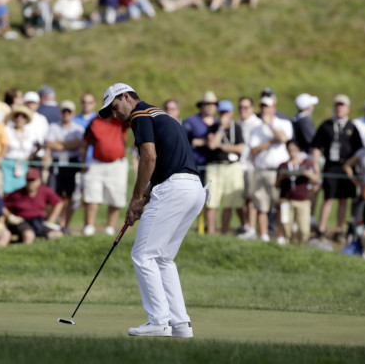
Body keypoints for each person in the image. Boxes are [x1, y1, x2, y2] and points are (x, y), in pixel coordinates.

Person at [98, 82, 204, 338]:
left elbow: (149, 157)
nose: (115, 115)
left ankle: (159, 320)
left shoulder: (140, 115)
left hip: (175, 189)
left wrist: (135, 199)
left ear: (126, 97)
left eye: (114, 107)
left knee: (143, 255)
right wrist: (145, 198)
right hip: (194, 189)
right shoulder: (161, 115)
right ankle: (180, 324)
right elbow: (164, 163)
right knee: (163, 258)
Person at [311, 94, 363, 241]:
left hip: (346, 166)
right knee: (328, 198)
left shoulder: (352, 127)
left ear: (348, 108)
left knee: (343, 199)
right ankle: (321, 229)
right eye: (337, 105)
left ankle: (339, 230)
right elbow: (316, 146)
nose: (340, 108)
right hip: (330, 165)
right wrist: (315, 163)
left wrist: (354, 168)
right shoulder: (326, 125)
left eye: (343, 106)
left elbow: (358, 151)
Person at [247, 95, 293, 242]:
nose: (264, 109)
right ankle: (264, 235)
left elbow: (283, 138)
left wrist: (270, 126)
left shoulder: (283, 123)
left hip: (277, 171)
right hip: (261, 169)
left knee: (279, 204)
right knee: (262, 206)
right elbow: (254, 150)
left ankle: (280, 236)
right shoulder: (256, 127)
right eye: (262, 106)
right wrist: (271, 142)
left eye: (267, 106)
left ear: (273, 107)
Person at [81, 114, 129, 236]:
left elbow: (132, 120)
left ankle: (110, 227)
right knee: (92, 194)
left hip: (117, 163)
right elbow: (85, 142)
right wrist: (83, 162)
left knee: (116, 195)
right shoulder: (95, 121)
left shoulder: (120, 120)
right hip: (97, 162)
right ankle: (89, 226)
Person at [204, 99, 244, 235]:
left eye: (226, 112)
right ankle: (211, 231)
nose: (223, 115)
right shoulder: (213, 128)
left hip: (232, 167)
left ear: (231, 113)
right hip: (215, 167)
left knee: (229, 202)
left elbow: (240, 148)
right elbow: (211, 145)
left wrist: (222, 146)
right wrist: (221, 128)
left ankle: (224, 231)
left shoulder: (237, 128)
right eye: (221, 112)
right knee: (212, 202)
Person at [45, 100, 85, 232]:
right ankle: (54, 222)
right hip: (57, 162)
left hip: (72, 162)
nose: (66, 114)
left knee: (70, 195)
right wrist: (69, 144)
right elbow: (50, 144)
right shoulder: (53, 126)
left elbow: (79, 143)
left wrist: (60, 143)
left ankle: (64, 224)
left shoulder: (78, 128)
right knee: (54, 193)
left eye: (69, 112)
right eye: (64, 111)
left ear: (73, 113)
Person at [3, 167, 64, 244]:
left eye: (33, 180)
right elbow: (2, 205)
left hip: (39, 221)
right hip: (23, 221)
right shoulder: (17, 194)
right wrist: (10, 216)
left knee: (57, 235)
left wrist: (51, 220)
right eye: (28, 180)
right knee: (29, 235)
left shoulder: (44, 190)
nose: (30, 183)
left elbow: (59, 202)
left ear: (39, 180)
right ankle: (25, 252)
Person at [276, 141, 319, 245]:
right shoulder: (283, 165)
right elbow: (276, 185)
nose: (292, 153)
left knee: (304, 229)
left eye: (294, 150)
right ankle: (288, 245)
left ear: (298, 150)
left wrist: (306, 173)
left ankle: (302, 245)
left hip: (302, 200)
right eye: (290, 150)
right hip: (286, 200)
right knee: (285, 226)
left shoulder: (306, 163)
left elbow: (316, 179)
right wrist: (281, 177)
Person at [236, 96, 261, 237]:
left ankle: (251, 228)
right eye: (240, 107)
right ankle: (245, 224)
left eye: (246, 107)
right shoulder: (238, 124)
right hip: (239, 165)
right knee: (238, 198)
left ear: (252, 108)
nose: (243, 110)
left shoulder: (257, 123)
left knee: (250, 198)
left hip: (251, 166)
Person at [2, 105, 40, 194]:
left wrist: (30, 156)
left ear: (26, 119)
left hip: (23, 165)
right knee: (7, 190)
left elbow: (38, 145)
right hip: (8, 163)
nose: (20, 118)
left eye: (23, 116)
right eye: (17, 115)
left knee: (21, 191)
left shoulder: (30, 132)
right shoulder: (7, 130)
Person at [183, 91, 217, 179]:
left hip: (214, 167)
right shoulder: (191, 122)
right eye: (207, 104)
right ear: (201, 105)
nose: (210, 106)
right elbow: (184, 142)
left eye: (213, 104)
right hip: (196, 165)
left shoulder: (218, 123)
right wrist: (203, 142)